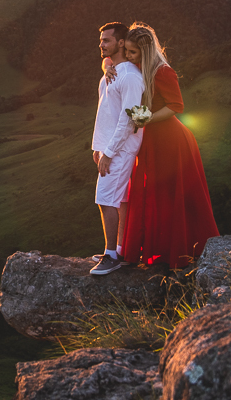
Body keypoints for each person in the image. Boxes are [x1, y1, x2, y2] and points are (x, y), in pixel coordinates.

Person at [118, 23, 220, 269]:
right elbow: (111, 62)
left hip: (172, 142)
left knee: (172, 195)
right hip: (152, 140)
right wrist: (108, 68)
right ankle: (157, 250)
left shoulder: (163, 72)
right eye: (127, 51)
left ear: (144, 51)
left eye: (132, 52)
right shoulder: (137, 66)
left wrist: (148, 118)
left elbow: (176, 106)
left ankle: (181, 252)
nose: (128, 56)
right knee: (155, 195)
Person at [89, 22, 145, 276]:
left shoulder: (130, 76)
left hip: (121, 149)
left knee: (105, 199)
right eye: (101, 40)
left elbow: (129, 118)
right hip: (110, 146)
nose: (101, 44)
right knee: (119, 200)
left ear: (121, 43)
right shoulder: (112, 71)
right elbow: (105, 111)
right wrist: (98, 147)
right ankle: (121, 250)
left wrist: (109, 152)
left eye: (106, 40)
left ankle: (110, 255)